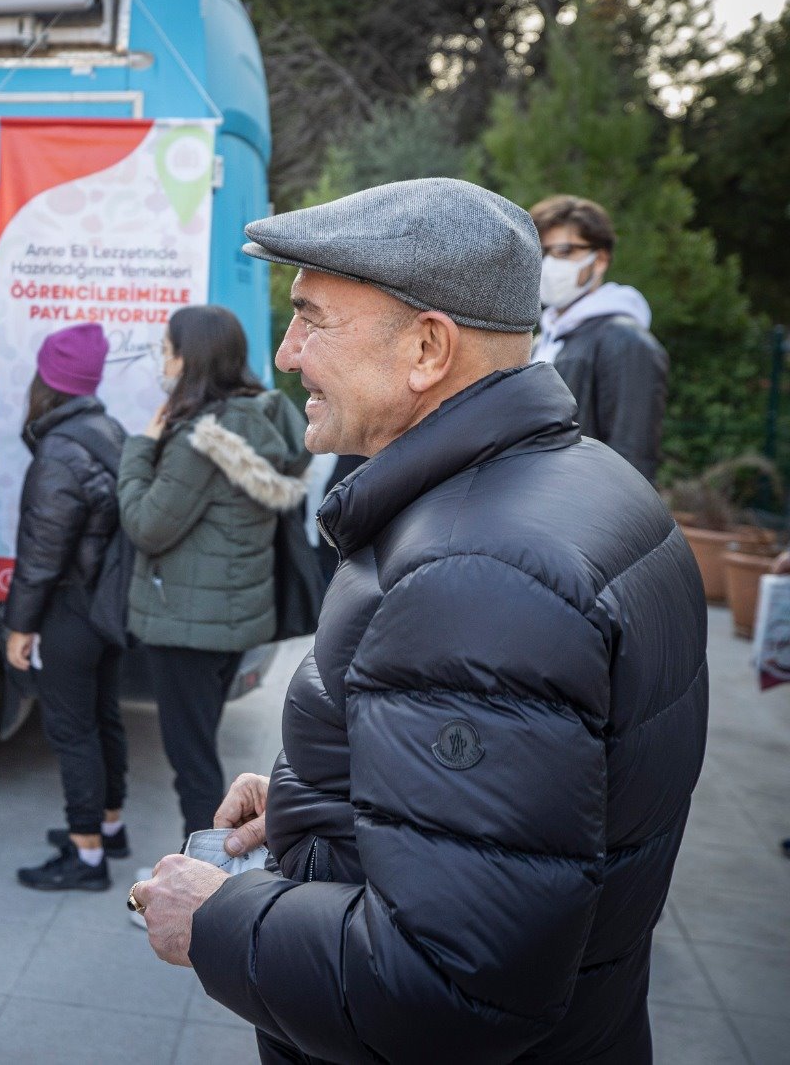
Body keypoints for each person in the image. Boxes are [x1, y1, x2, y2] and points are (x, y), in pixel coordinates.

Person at [135, 178, 707, 1063]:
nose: (287, 355)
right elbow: (530, 819)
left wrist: (215, 917)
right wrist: (322, 799)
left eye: (314, 318)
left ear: (428, 348)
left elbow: (451, 980)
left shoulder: (475, 575)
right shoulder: (585, 483)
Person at [116, 305, 309, 839]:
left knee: (193, 764)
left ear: (191, 358)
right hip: (232, 618)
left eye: (167, 350)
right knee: (201, 751)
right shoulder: (259, 417)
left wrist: (141, 447)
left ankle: (199, 888)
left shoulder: (201, 439)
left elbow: (147, 525)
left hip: (188, 625)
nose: (163, 361)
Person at [3, 323, 130, 892]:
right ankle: (109, 825)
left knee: (72, 729)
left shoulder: (59, 450)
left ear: (48, 381)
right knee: (104, 716)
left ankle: (86, 858)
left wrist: (20, 626)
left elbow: (40, 553)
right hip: (106, 605)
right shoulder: (109, 429)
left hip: (71, 609)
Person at [531, 194, 668, 481]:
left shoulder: (625, 342)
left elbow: (633, 459)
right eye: (541, 252)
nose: (550, 264)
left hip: (582, 512)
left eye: (565, 251)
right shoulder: (542, 340)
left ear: (601, 259)